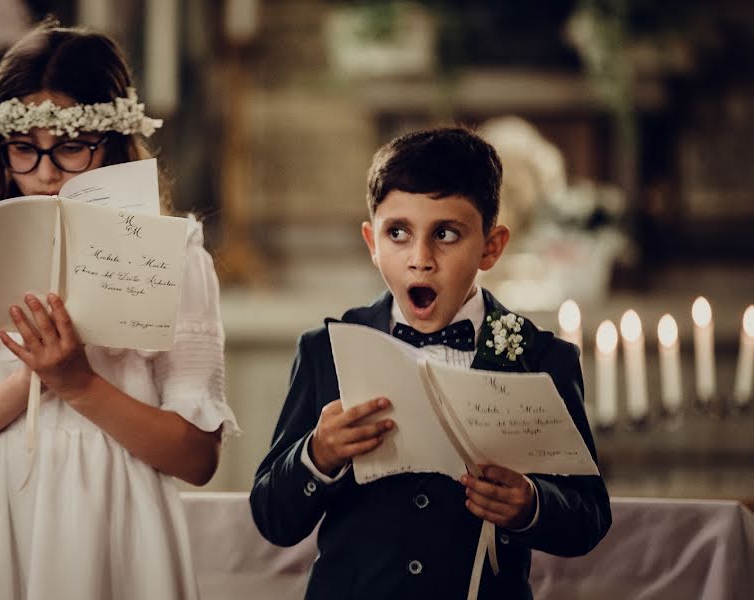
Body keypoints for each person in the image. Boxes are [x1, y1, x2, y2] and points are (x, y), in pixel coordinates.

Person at [0, 23, 238, 600]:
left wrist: (79, 383)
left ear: (116, 142)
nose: (45, 173)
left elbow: (197, 457)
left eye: (70, 146)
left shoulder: (177, 257)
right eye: (24, 148)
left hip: (120, 520)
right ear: (2, 149)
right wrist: (33, 377)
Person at [249, 127, 610, 599]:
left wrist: (531, 505)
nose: (420, 259)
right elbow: (273, 518)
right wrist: (318, 455)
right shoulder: (326, 350)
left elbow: (589, 517)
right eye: (397, 233)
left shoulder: (543, 359)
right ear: (371, 240)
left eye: (445, 234)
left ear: (491, 246)